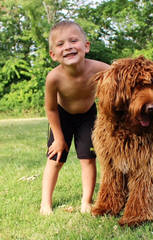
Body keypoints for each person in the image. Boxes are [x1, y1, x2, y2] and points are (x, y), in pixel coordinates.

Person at [40, 21, 109, 215]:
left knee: (88, 159)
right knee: (56, 159)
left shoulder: (100, 69)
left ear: (86, 46)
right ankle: (46, 202)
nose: (68, 46)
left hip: (88, 116)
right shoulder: (54, 78)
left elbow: (119, 80)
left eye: (73, 40)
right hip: (61, 117)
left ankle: (86, 201)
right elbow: (51, 108)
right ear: (53, 55)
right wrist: (59, 138)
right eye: (60, 44)